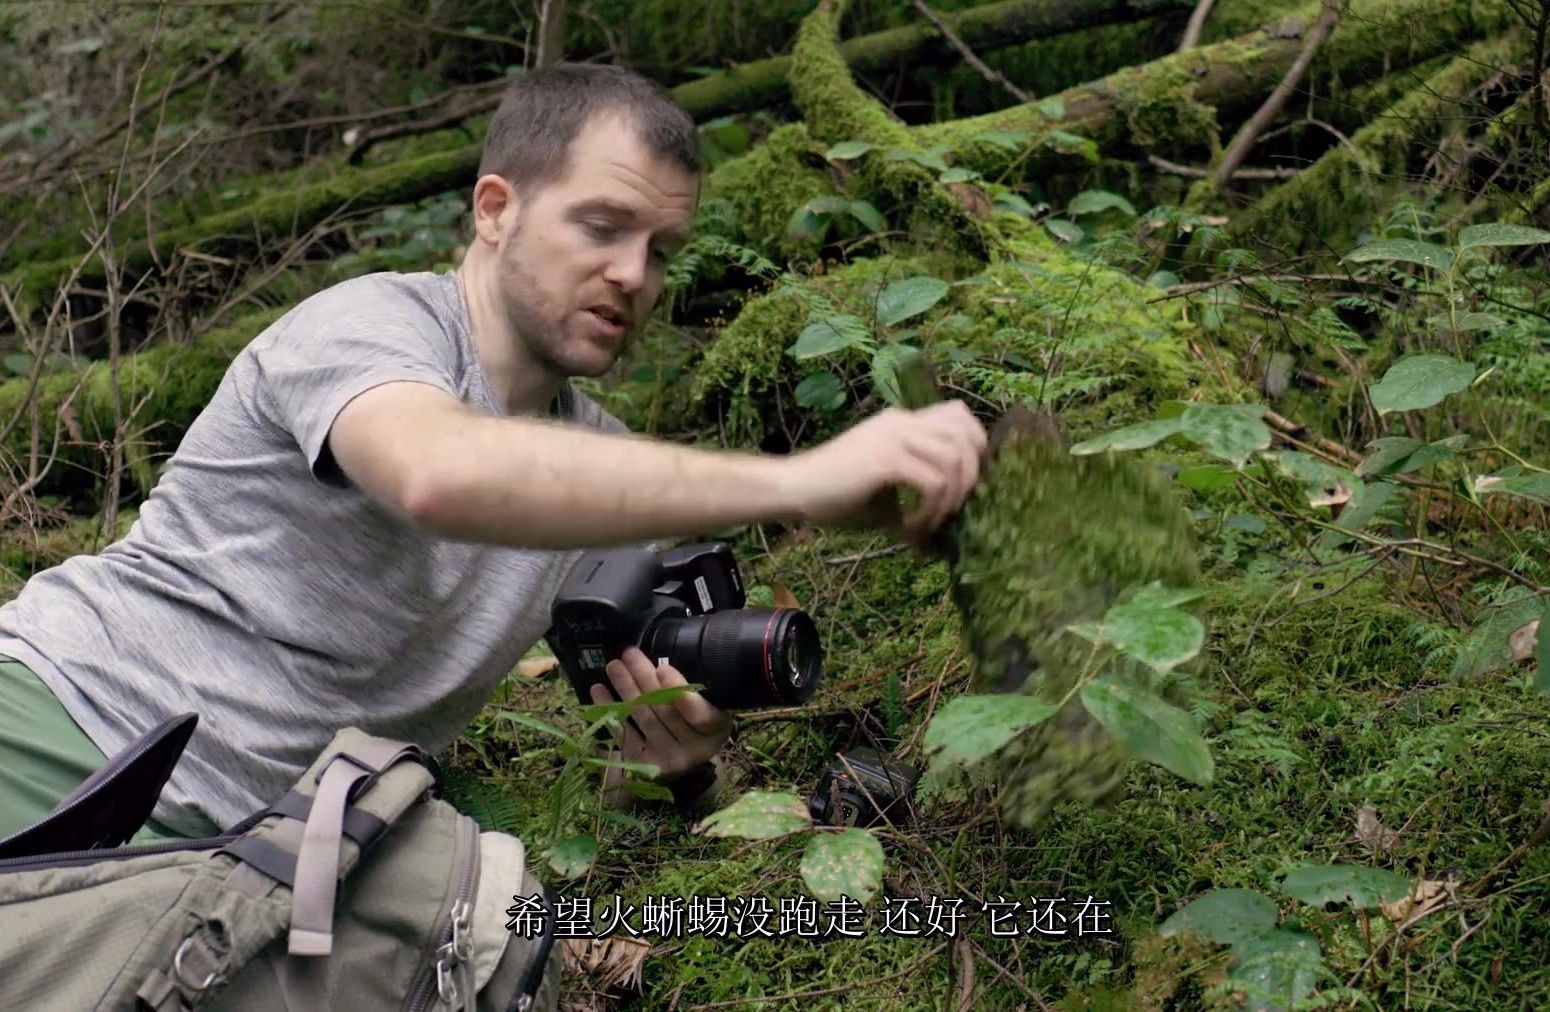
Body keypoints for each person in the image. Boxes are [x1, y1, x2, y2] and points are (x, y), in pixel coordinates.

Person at [0, 62, 987, 846]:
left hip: (261, 856)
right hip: (69, 729)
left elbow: (615, 740)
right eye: (600, 227)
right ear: (493, 209)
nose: (632, 274)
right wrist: (800, 481)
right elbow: (438, 473)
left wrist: (673, 759)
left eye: (663, 250)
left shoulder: (588, 459)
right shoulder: (366, 325)